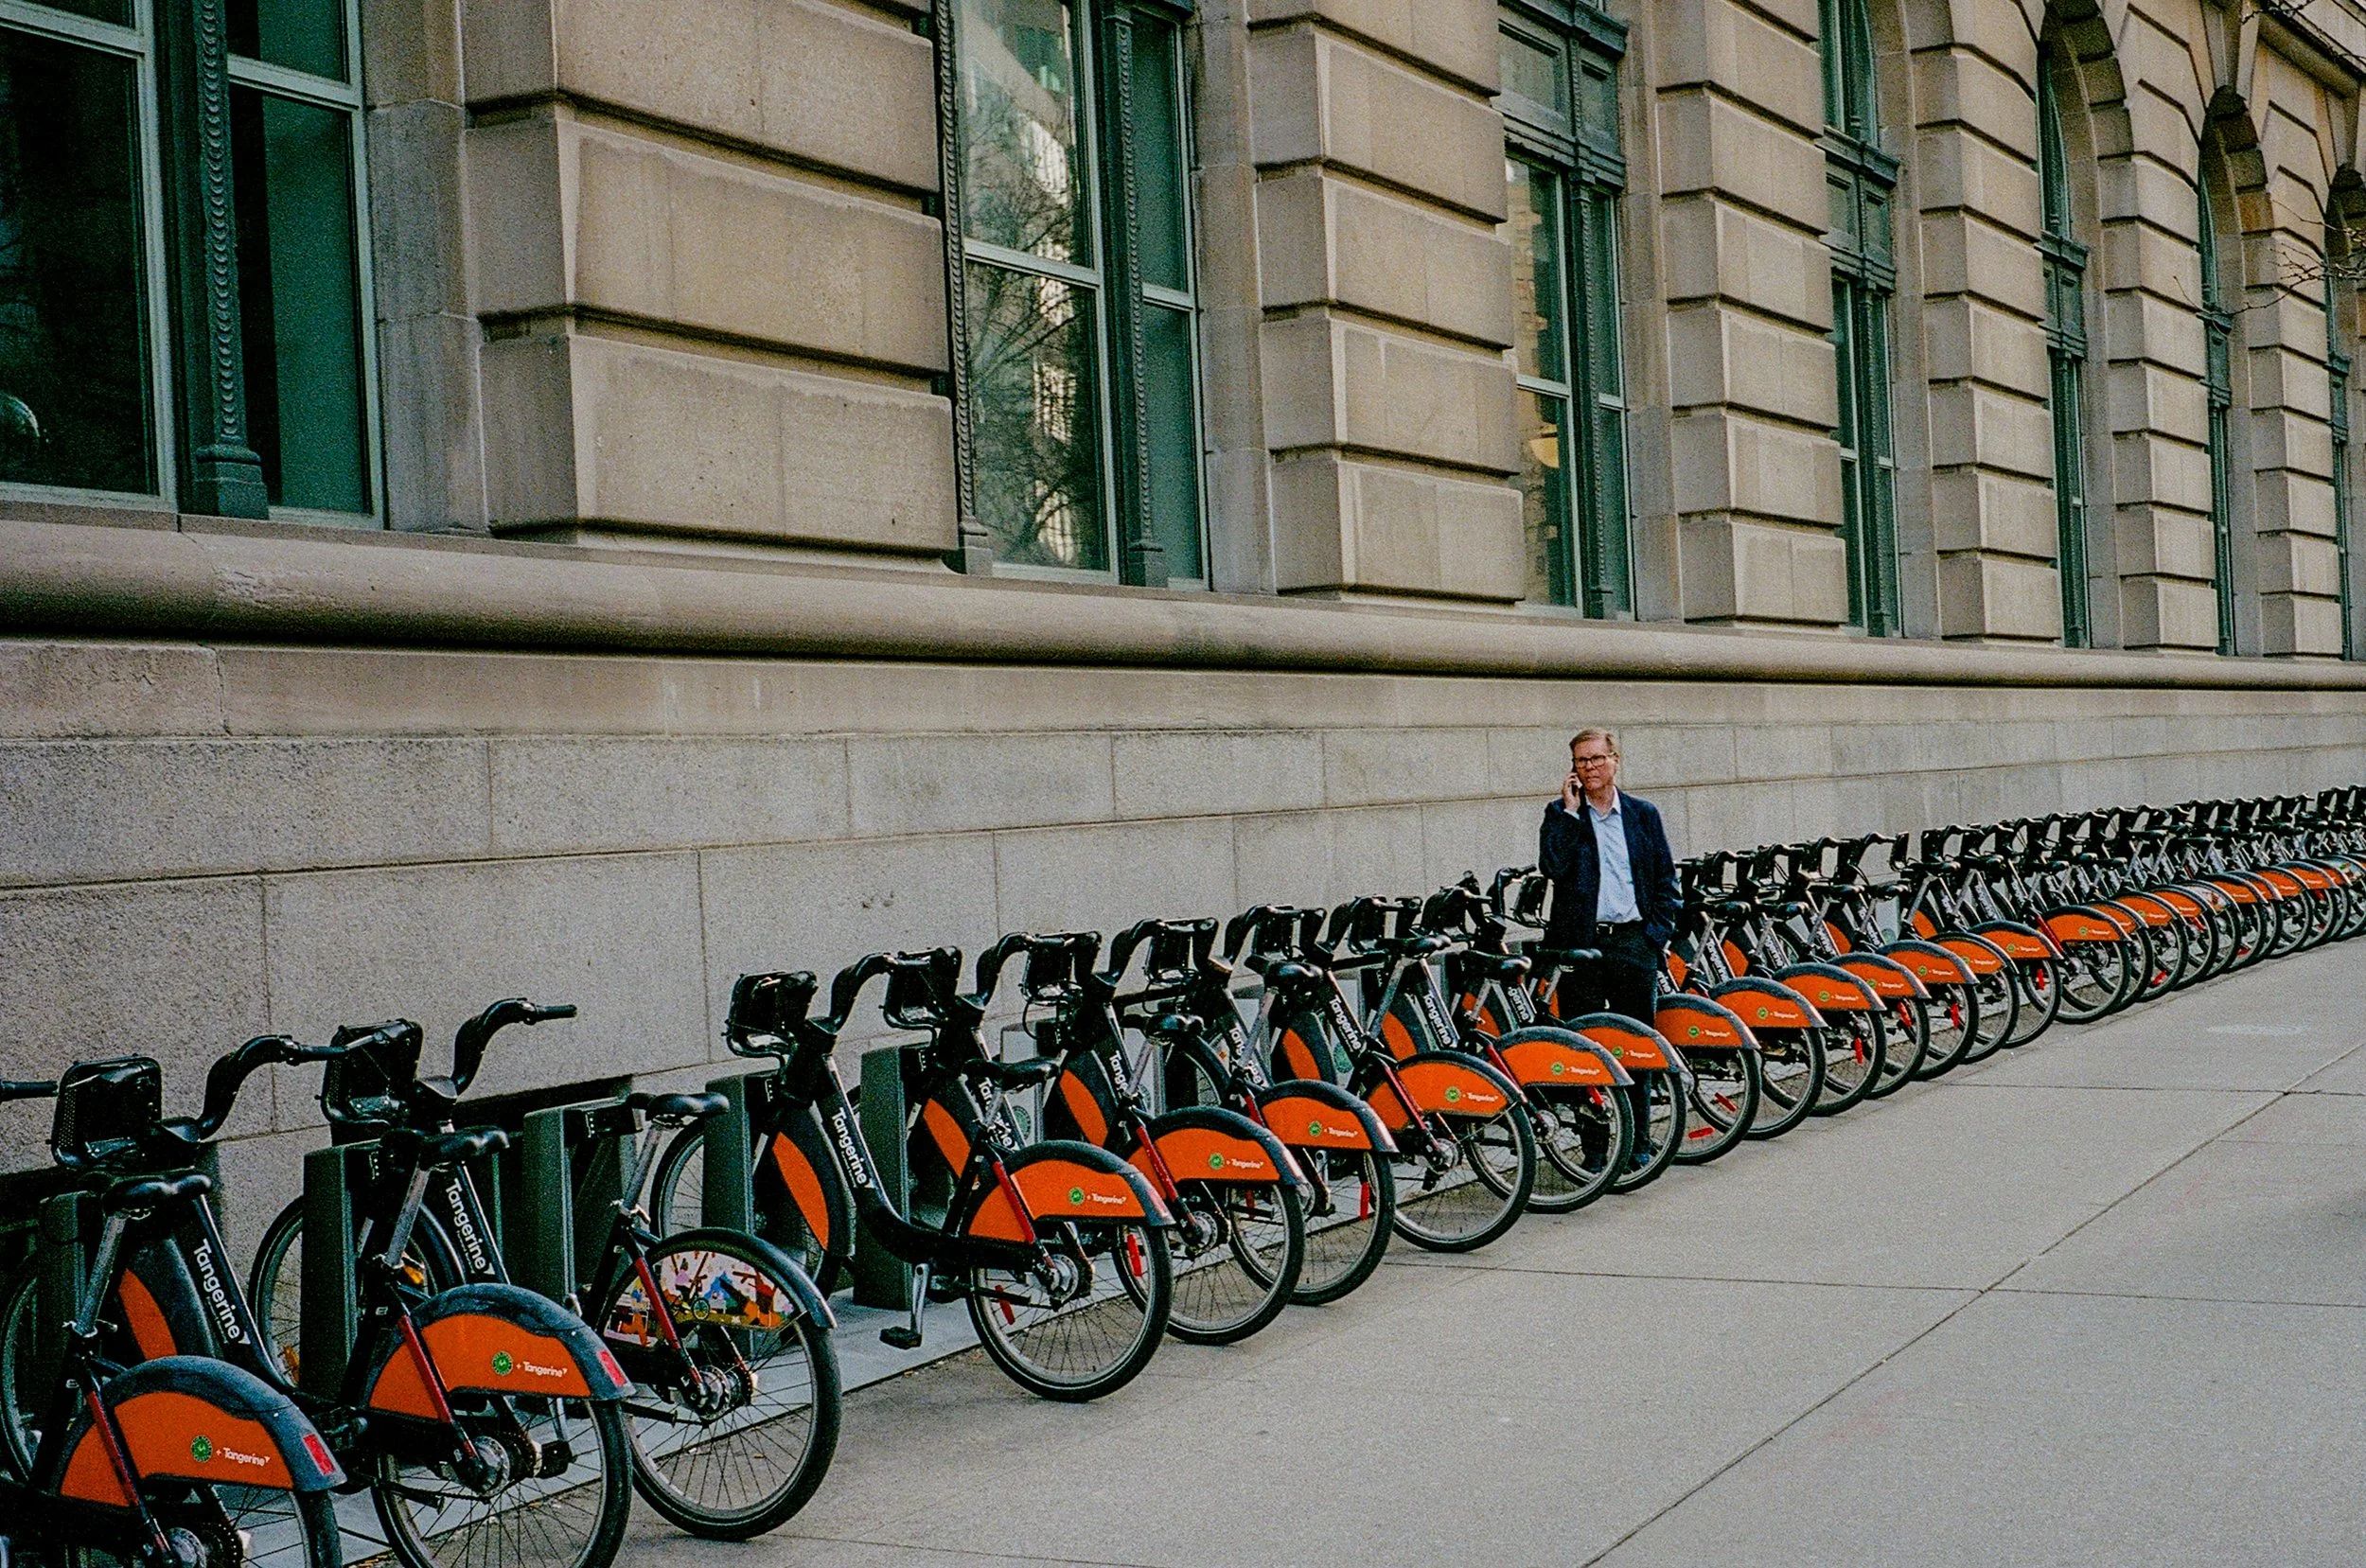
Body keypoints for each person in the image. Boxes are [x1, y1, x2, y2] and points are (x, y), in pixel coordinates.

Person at [1538, 728, 1679, 1160]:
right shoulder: (1562, 813)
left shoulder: (1642, 814)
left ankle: (1637, 1141)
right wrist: (1568, 813)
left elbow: (1666, 881)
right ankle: (1596, 1150)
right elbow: (1552, 867)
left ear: (1615, 760)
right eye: (1582, 761)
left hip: (1633, 943)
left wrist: (1655, 936)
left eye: (1598, 759)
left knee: (1636, 1043)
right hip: (1582, 948)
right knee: (1585, 1048)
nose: (1590, 768)